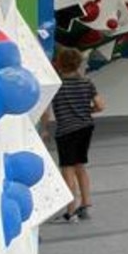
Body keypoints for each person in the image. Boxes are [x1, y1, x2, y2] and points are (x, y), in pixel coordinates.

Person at [44, 47, 105, 223]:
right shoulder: (87, 82)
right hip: (86, 127)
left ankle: (70, 212)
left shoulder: (57, 84)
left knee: (67, 170)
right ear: (78, 63)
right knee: (80, 166)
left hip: (66, 131)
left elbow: (46, 112)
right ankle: (85, 205)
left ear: (59, 64)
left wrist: (45, 129)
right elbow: (100, 105)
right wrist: (86, 111)